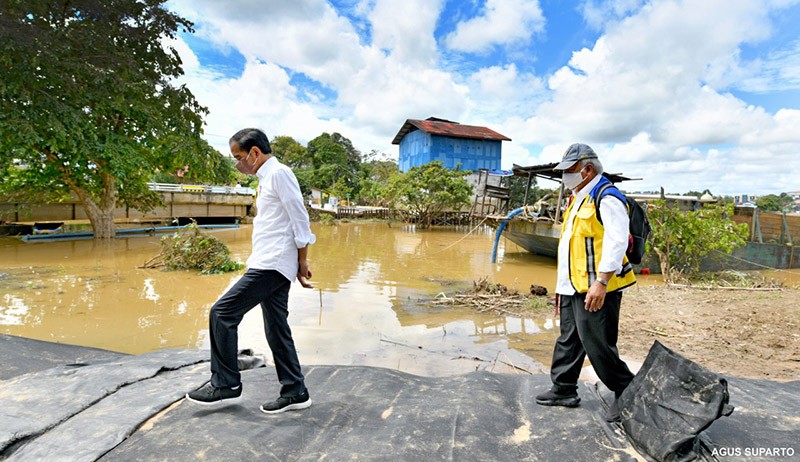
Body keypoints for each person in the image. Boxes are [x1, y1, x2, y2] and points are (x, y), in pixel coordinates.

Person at [186, 128, 316, 415]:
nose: (237, 163)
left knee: (222, 313)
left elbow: (300, 218)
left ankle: (226, 383)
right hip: (270, 261)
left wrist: (302, 261)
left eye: (239, 157)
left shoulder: (279, 173)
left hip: (272, 263)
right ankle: (295, 391)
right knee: (276, 327)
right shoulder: (267, 178)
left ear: (255, 153)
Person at [535, 143, 636, 422]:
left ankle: (627, 390)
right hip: (573, 285)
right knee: (569, 338)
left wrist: (601, 282)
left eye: (569, 171)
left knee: (597, 342)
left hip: (596, 287)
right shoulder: (579, 197)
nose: (564, 177)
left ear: (587, 169)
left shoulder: (607, 196)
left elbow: (616, 242)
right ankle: (564, 388)